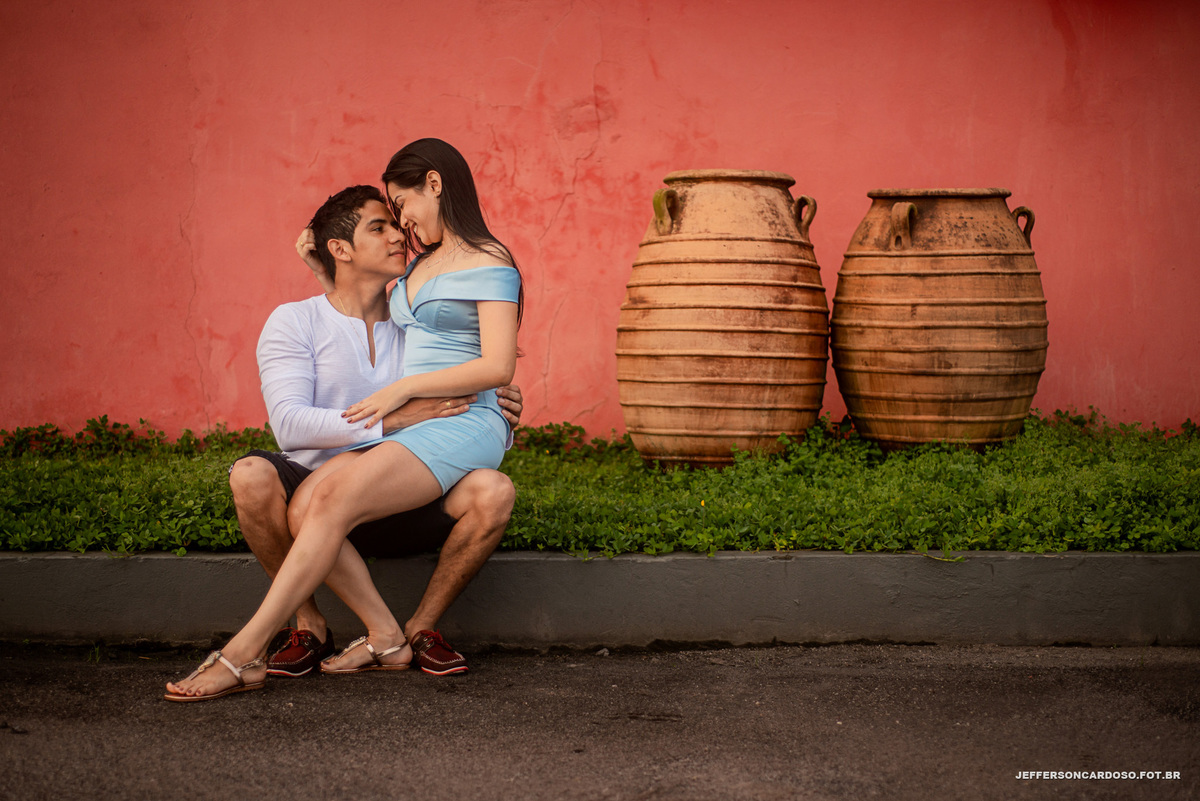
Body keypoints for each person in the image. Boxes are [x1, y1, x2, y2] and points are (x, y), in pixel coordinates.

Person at [166, 139, 523, 701]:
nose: (400, 230)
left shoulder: (432, 295)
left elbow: (482, 358)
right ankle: (359, 632)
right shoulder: (353, 304)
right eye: (383, 224)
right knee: (296, 496)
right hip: (368, 456)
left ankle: (242, 654)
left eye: (398, 213)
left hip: (428, 447)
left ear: (434, 185)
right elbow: (296, 416)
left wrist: (493, 395)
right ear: (341, 250)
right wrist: (396, 416)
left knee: (471, 491)